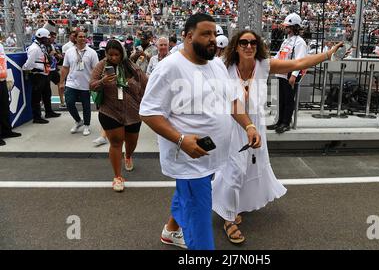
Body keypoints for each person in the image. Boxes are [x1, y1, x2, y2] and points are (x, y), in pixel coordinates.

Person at [139, 13, 261, 250]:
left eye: (214, 34)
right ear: (187, 36)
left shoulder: (216, 65)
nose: (212, 39)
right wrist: (181, 139)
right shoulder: (170, 68)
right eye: (205, 34)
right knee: (200, 226)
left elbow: (233, 100)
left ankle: (171, 230)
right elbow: (148, 112)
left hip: (212, 156)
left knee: (187, 197)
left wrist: (249, 125)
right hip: (189, 160)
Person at [212, 30, 344, 244]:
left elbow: (297, 63)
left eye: (253, 42)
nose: (248, 46)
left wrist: (328, 54)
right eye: (243, 42)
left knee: (248, 168)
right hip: (233, 124)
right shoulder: (223, 67)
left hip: (255, 125)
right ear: (235, 46)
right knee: (234, 169)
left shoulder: (264, 65)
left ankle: (230, 204)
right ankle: (228, 219)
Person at [90, 39, 148, 191]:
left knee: (131, 142)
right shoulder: (102, 66)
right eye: (111, 55)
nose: (114, 58)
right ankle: (117, 177)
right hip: (110, 111)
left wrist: (141, 98)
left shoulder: (131, 66)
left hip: (133, 112)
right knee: (115, 143)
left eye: (116, 55)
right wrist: (102, 81)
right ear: (106, 54)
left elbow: (146, 84)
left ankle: (128, 156)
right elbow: (91, 85)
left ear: (122, 53)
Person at [267, 13, 308, 134]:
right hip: (281, 74)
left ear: (294, 27)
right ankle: (279, 121)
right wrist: (269, 61)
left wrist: (294, 75)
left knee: (288, 100)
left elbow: (300, 61)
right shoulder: (286, 41)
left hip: (290, 75)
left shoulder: (300, 42)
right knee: (280, 99)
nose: (285, 28)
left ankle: (286, 123)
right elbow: (279, 55)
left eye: (287, 26)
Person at [60, 30, 99, 136]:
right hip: (71, 83)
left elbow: (96, 69)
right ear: (75, 38)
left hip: (86, 84)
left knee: (86, 106)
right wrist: (61, 82)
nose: (82, 38)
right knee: (69, 102)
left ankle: (86, 125)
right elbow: (65, 67)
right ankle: (78, 121)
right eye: (80, 36)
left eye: (84, 36)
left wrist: (95, 82)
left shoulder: (92, 53)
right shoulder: (69, 51)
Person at [23, 28, 59, 124]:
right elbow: (29, 63)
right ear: (41, 38)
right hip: (37, 75)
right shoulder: (34, 48)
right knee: (37, 97)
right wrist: (25, 69)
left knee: (47, 94)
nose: (48, 40)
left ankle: (49, 112)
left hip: (44, 74)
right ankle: (37, 117)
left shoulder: (40, 47)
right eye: (46, 38)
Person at [0, 42, 21, 146]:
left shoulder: (1, 46)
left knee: (4, 106)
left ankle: (6, 130)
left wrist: (7, 77)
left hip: (2, 79)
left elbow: (4, 62)